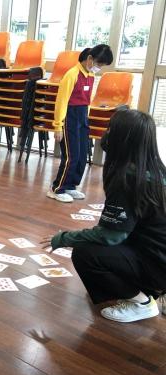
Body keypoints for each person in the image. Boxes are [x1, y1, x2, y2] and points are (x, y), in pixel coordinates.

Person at [42, 110, 166, 323]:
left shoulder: (128, 179)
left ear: (122, 138)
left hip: (157, 264)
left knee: (85, 253)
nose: (105, 134)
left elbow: (110, 236)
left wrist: (64, 238)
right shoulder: (155, 170)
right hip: (158, 257)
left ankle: (143, 303)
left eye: (110, 129)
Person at [47, 45, 114, 203]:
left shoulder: (91, 75)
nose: (99, 68)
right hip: (69, 118)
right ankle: (57, 188)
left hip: (82, 118)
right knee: (72, 156)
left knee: (82, 154)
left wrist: (86, 118)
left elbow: (87, 100)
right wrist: (58, 126)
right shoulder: (72, 74)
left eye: (102, 66)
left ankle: (70, 185)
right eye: (99, 64)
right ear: (90, 58)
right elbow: (61, 101)